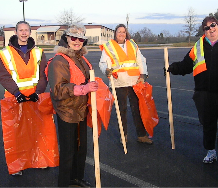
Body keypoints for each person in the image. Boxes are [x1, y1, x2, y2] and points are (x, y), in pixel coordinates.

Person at [46, 23, 98, 188]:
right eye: (73, 38)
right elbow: (57, 90)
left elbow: (88, 79)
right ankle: (64, 183)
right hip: (67, 111)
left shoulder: (81, 58)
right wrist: (83, 88)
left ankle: (76, 179)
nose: (77, 41)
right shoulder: (59, 61)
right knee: (68, 152)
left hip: (81, 110)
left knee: (81, 149)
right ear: (66, 39)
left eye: (81, 38)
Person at [0, 21, 52, 175]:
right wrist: (17, 93)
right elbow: (3, 76)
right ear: (15, 32)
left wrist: (39, 92)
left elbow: (43, 74)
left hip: (35, 97)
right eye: (21, 30)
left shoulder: (39, 52)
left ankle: (40, 159)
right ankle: (18, 165)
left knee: (39, 130)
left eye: (26, 30)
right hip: (15, 98)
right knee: (17, 133)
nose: (23, 33)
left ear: (30, 32)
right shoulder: (5, 53)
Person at [166, 16, 218, 163]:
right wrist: (173, 68)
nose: (211, 29)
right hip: (204, 93)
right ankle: (211, 151)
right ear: (204, 31)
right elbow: (186, 65)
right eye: (207, 28)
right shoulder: (198, 46)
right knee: (208, 123)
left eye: (213, 25)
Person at [99, 23, 153, 144]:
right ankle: (124, 136)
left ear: (126, 33)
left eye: (123, 32)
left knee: (138, 109)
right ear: (115, 33)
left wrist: (143, 74)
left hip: (135, 82)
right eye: (119, 32)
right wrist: (106, 70)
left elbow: (141, 60)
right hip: (119, 82)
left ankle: (142, 135)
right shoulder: (109, 47)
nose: (121, 34)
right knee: (121, 111)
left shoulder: (132, 45)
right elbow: (103, 63)